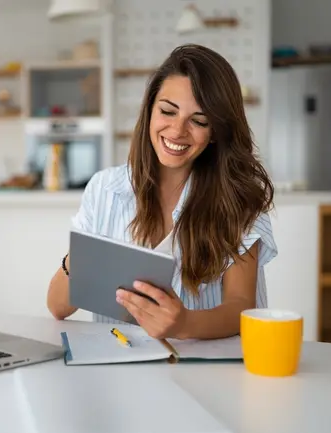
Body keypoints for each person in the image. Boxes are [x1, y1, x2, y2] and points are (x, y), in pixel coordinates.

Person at [46, 44, 277, 341]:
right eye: (168, 111)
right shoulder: (105, 189)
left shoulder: (237, 199)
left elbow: (242, 307)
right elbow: (57, 307)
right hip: (116, 372)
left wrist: (184, 324)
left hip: (205, 374)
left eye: (198, 120)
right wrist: (80, 258)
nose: (178, 130)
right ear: (150, 110)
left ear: (216, 132)